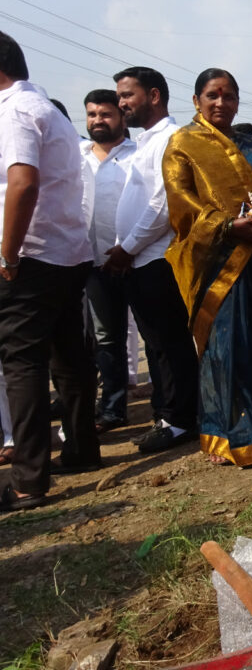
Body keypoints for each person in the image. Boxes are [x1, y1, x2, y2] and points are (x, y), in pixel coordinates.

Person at [163, 68, 252, 467]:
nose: (221, 103)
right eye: (213, 95)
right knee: (226, 348)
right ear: (196, 101)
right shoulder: (183, 144)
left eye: (229, 96)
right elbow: (182, 204)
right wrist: (228, 227)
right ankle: (230, 435)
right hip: (216, 263)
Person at [0, 31, 98, 511]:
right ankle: (80, 448)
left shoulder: (14, 111)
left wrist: (7, 255)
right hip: (64, 253)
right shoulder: (47, 109)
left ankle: (28, 481)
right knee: (68, 357)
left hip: (31, 256)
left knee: (23, 364)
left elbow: (22, 183)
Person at [112, 66, 200, 453]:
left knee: (170, 342)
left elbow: (164, 204)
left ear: (153, 96)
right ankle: (167, 414)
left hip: (157, 257)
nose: (121, 103)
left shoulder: (170, 139)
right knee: (156, 343)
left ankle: (181, 420)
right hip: (138, 258)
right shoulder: (144, 142)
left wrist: (127, 247)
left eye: (127, 95)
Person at [80, 89, 137, 433]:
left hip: (137, 260)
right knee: (106, 339)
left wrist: (127, 248)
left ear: (121, 117)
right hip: (94, 265)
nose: (98, 120)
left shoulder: (138, 154)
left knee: (153, 337)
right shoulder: (77, 157)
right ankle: (113, 409)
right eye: (92, 114)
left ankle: (171, 408)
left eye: (105, 114)